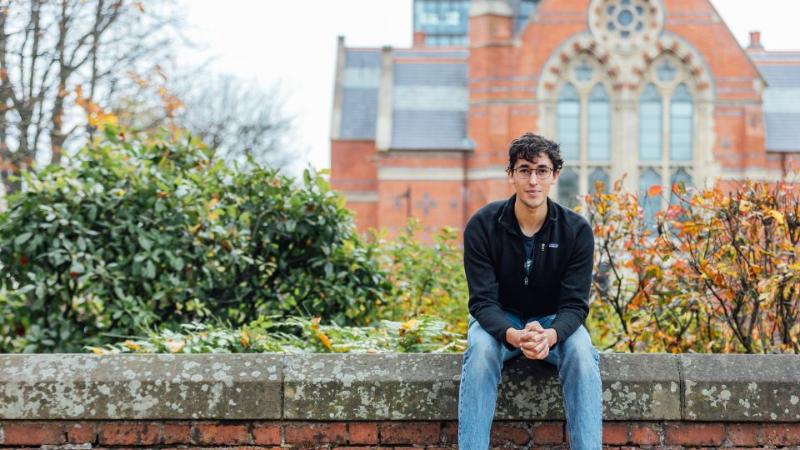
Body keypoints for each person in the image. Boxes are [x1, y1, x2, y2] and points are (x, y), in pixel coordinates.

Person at [458, 133, 602, 450]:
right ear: (511, 175)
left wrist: (549, 336)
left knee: (581, 352)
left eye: (541, 170)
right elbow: (481, 302)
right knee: (480, 352)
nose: (533, 180)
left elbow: (575, 306)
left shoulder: (576, 231)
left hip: (554, 321)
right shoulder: (483, 225)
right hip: (501, 321)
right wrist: (513, 334)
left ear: (554, 176)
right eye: (524, 170)